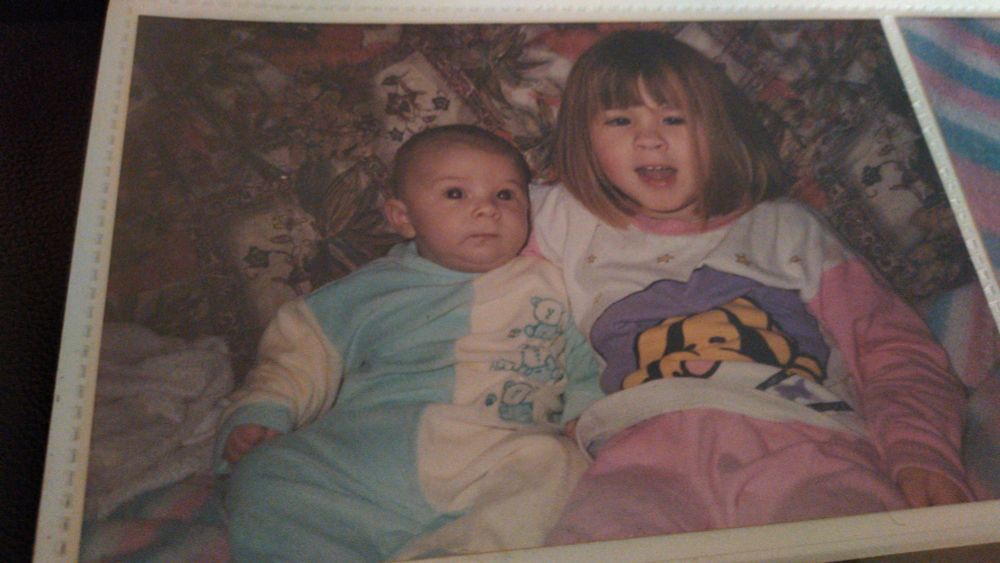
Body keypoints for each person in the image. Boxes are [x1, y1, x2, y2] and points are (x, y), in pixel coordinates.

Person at [524, 29, 974, 544]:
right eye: (620, 120)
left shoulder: (788, 228)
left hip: (805, 439)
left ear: (720, 131)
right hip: (642, 450)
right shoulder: (566, 218)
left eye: (675, 118)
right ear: (583, 139)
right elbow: (465, 206)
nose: (650, 139)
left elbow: (890, 346)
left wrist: (920, 451)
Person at [216, 124, 603, 561]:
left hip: (502, 450)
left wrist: (585, 415)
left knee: (560, 464)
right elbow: (297, 355)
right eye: (456, 193)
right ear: (402, 218)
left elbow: (584, 360)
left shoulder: (548, 282)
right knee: (267, 474)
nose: (487, 210)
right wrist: (263, 411)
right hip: (377, 450)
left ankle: (461, 550)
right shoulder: (369, 290)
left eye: (505, 195)